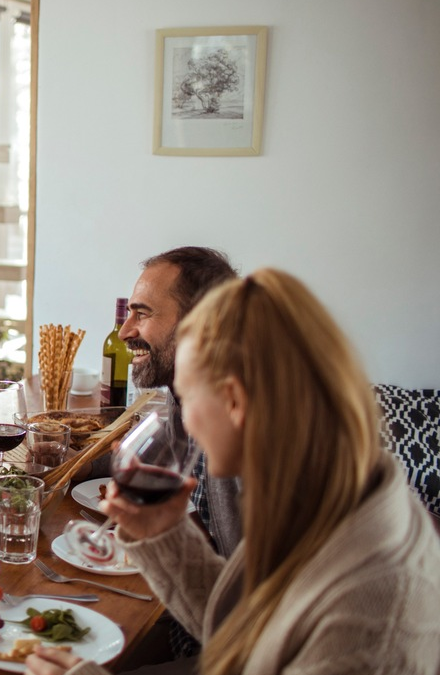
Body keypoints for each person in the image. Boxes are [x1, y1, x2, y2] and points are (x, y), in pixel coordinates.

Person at [27, 268, 440, 675]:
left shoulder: (368, 613)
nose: (182, 420)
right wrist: (163, 535)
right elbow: (242, 628)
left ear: (235, 402)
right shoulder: (316, 493)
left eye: (187, 397)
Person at [117, 247, 241, 557]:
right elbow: (154, 456)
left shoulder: (247, 421)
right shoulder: (187, 390)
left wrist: (170, 533)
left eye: (142, 313)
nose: (124, 332)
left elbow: (251, 589)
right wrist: (76, 465)